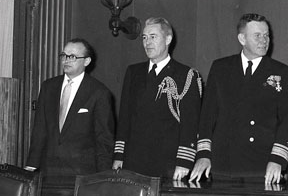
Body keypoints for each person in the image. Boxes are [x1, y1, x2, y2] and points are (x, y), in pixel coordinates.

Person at [190, 13, 288, 184]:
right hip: (224, 164)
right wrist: (203, 154)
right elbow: (207, 116)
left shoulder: (282, 72)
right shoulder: (221, 68)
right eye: (257, 35)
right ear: (242, 39)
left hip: (262, 166)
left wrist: (277, 159)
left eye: (266, 35)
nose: (264, 40)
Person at [113, 17, 202, 180]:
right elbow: (125, 118)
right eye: (144, 38)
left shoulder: (186, 75)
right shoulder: (134, 72)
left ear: (168, 39)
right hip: (134, 160)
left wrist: (184, 162)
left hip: (167, 162)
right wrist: (119, 155)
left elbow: (190, 123)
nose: (147, 42)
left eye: (153, 37)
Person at [26, 38, 115, 175]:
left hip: (81, 173)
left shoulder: (99, 92)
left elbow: (104, 140)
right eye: (64, 55)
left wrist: (103, 177)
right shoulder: (48, 87)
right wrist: (31, 165)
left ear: (87, 61)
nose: (66, 60)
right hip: (48, 171)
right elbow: (39, 129)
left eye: (72, 56)